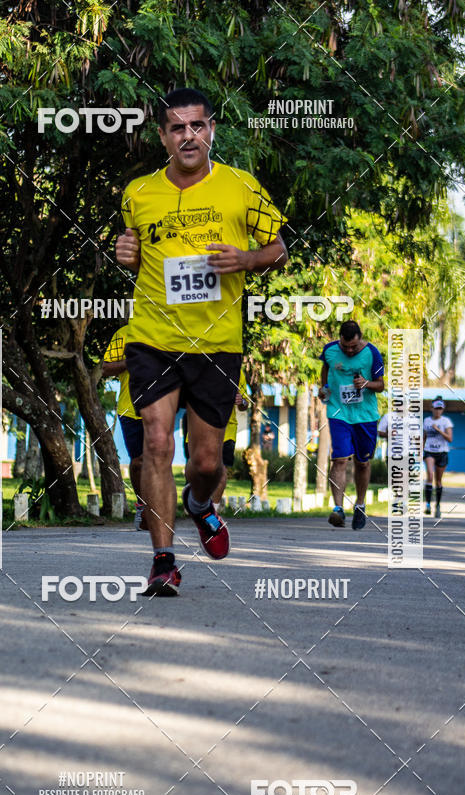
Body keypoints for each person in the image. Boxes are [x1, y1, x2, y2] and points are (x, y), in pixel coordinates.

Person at [115, 87, 287, 595]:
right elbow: (135, 252)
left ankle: (199, 503)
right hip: (153, 336)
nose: (187, 136)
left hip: (216, 342)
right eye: (176, 128)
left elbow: (279, 247)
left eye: (197, 126)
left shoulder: (241, 187)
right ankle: (163, 561)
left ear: (211, 130)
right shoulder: (138, 193)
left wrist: (247, 259)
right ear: (163, 136)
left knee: (207, 463)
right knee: (156, 442)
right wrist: (126, 253)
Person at [319, 320, 385, 530]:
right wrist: (325, 389)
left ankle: (360, 504)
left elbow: (381, 385)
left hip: (365, 416)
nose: (349, 350)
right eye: (345, 346)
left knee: (362, 462)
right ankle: (338, 509)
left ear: (360, 339)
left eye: (353, 347)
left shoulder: (372, 353)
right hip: (338, 412)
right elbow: (325, 370)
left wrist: (366, 383)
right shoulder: (329, 350)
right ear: (340, 339)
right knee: (339, 459)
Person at [102, 326, 148, 531]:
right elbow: (106, 368)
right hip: (130, 408)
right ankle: (142, 506)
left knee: (158, 460)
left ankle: (158, 510)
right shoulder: (123, 333)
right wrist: (131, 361)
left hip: (160, 405)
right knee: (138, 461)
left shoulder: (167, 329)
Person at [183, 370, 249, 508]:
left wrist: (241, 401)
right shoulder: (197, 364)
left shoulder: (237, 371)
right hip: (198, 427)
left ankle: (213, 510)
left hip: (226, 429)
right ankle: (193, 508)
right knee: (196, 470)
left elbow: (244, 405)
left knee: (221, 470)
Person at [423, 397, 453, 518]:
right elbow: (424, 436)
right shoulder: (426, 421)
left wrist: (438, 430)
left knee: (438, 480)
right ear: (432, 408)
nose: (438, 411)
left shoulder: (446, 422)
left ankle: (438, 506)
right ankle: (428, 505)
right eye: (436, 408)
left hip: (442, 452)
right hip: (429, 451)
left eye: (440, 409)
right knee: (430, 475)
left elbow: (450, 439)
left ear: (443, 410)